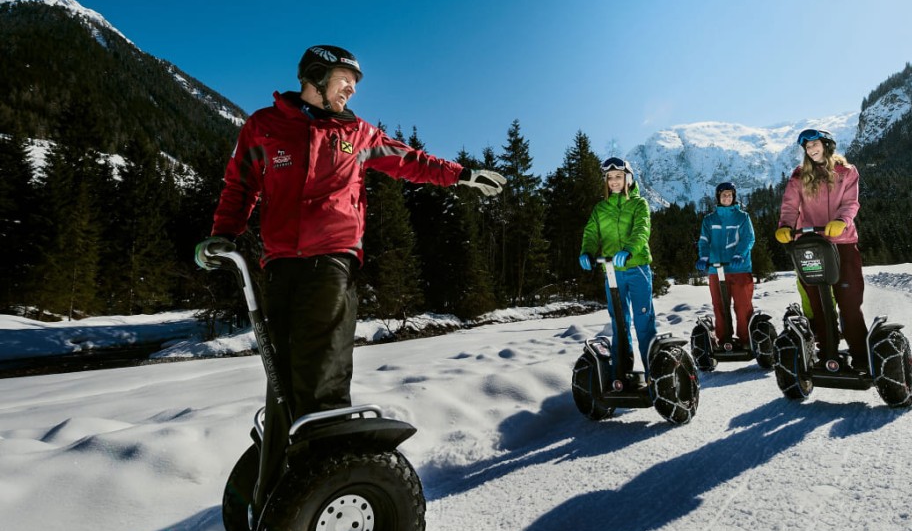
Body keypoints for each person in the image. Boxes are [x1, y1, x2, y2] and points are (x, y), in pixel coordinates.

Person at [195, 44, 505, 419]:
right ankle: (286, 453)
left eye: (355, 83)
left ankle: (331, 451)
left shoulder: (358, 134)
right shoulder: (264, 127)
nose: (352, 89)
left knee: (323, 367)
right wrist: (223, 233)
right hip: (279, 265)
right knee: (283, 372)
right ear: (317, 77)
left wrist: (461, 175)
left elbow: (410, 161)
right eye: (346, 80)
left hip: (332, 260)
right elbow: (240, 185)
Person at [774, 128, 869, 371]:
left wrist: (842, 221)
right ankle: (828, 353)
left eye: (815, 144)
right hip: (812, 245)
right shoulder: (799, 176)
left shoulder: (846, 172)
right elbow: (789, 205)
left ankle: (861, 356)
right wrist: (785, 226)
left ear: (826, 144)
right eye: (807, 147)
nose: (811, 150)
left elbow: (851, 203)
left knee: (848, 302)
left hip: (842, 243)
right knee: (819, 303)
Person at [579, 157, 656, 381]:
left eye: (618, 177)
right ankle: (621, 374)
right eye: (610, 178)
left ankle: (654, 374)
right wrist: (586, 252)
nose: (614, 181)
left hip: (637, 267)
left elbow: (642, 229)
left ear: (628, 179)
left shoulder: (639, 203)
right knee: (619, 322)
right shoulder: (600, 208)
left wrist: (630, 249)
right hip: (612, 272)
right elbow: (592, 233)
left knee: (643, 321)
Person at [695, 182, 755, 349]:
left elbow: (748, 238)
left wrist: (739, 254)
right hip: (716, 269)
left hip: (739, 268)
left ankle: (745, 340)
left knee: (742, 306)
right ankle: (724, 341)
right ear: (718, 198)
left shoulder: (742, 217)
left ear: (734, 197)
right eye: (723, 195)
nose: (727, 197)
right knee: (719, 306)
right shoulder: (709, 219)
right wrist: (704, 257)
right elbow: (704, 241)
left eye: (730, 195)